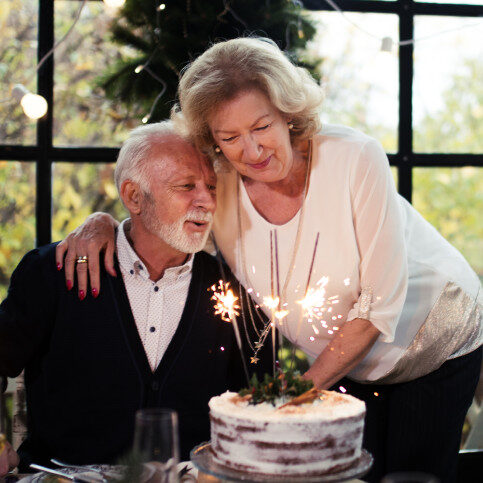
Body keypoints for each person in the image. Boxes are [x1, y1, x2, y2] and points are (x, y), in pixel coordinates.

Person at [56, 38, 482, 482]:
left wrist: (291, 397)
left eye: (261, 127)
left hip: (433, 335)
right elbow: (159, 219)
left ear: (289, 114)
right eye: (230, 138)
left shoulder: (354, 158)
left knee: (411, 476)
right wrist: (103, 222)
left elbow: (378, 307)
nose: (251, 151)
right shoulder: (217, 186)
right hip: (344, 362)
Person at [0, 120, 271, 475]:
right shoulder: (52, 273)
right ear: (133, 196)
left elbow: (261, 397)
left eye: (211, 187)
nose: (205, 201)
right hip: (64, 477)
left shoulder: (230, 289)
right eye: (187, 186)